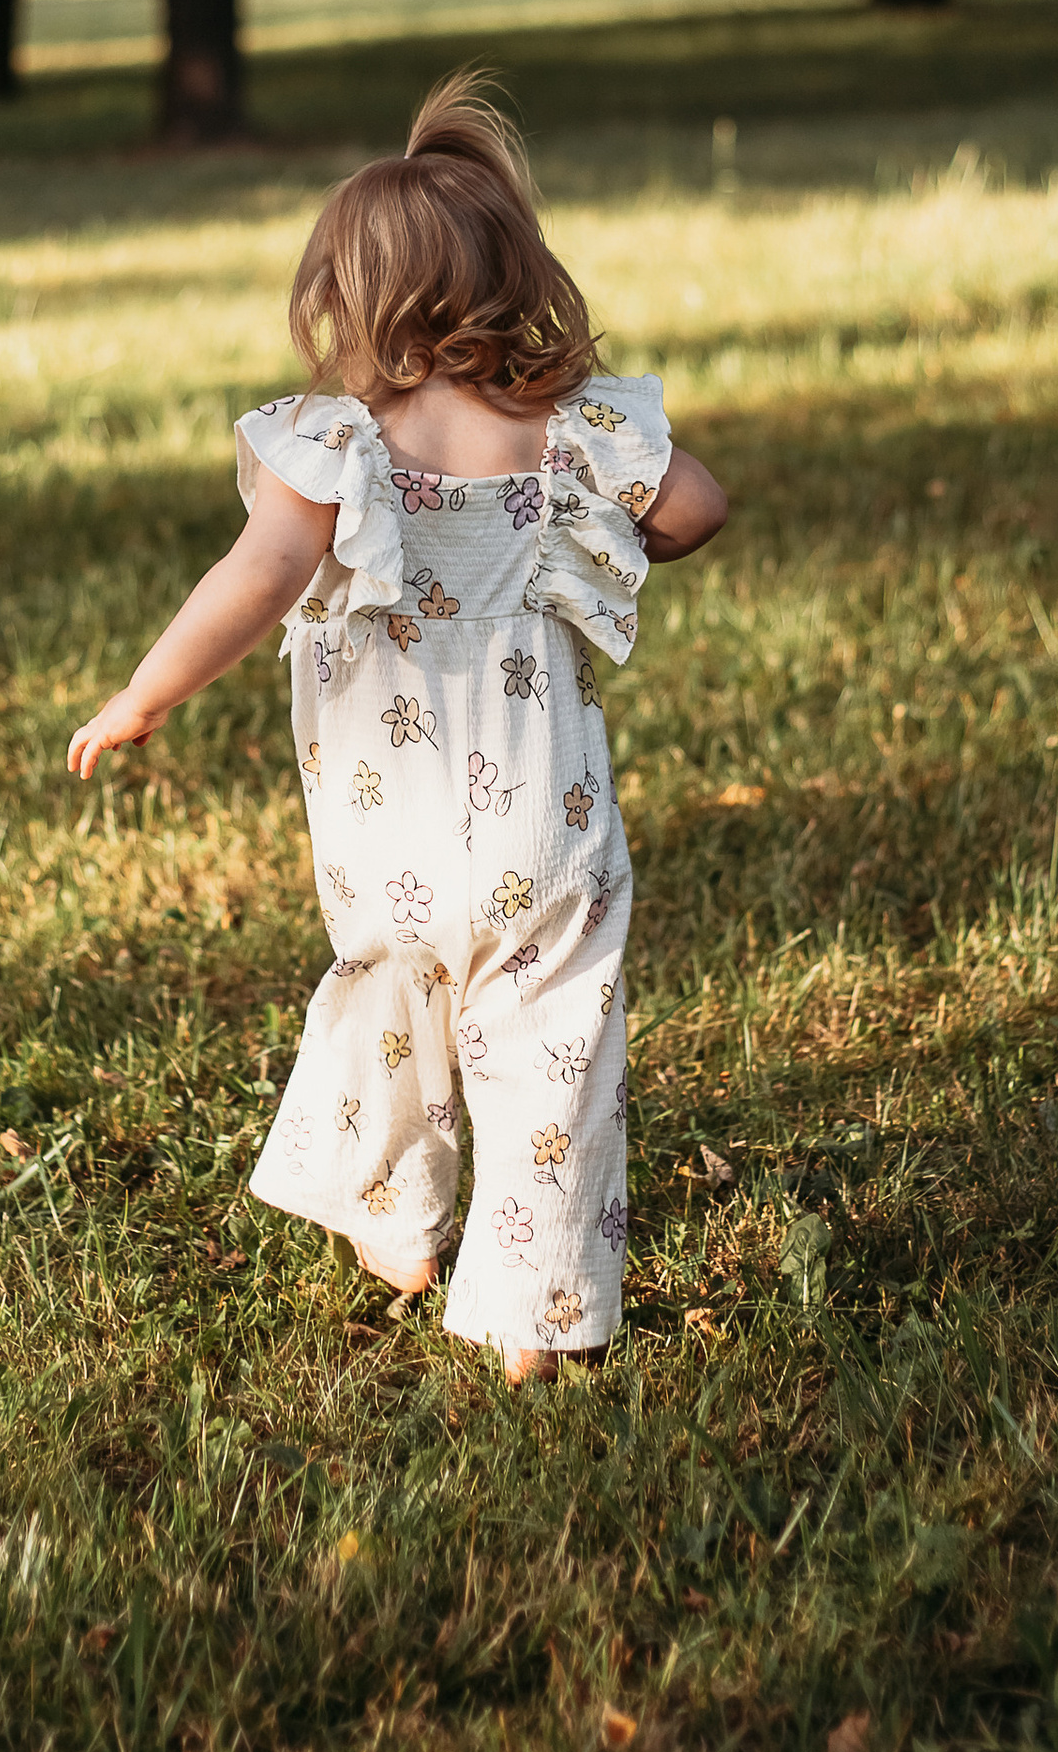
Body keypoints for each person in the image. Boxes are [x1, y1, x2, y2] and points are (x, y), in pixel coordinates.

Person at [68, 71, 728, 1378]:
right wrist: (613, 521)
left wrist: (145, 691)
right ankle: (534, 1318)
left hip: (398, 823)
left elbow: (249, 584)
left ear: (352, 300)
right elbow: (698, 505)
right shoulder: (569, 430)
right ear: (512, 278)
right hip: (548, 816)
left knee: (387, 994)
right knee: (553, 1047)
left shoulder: (335, 445)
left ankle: (395, 1220)